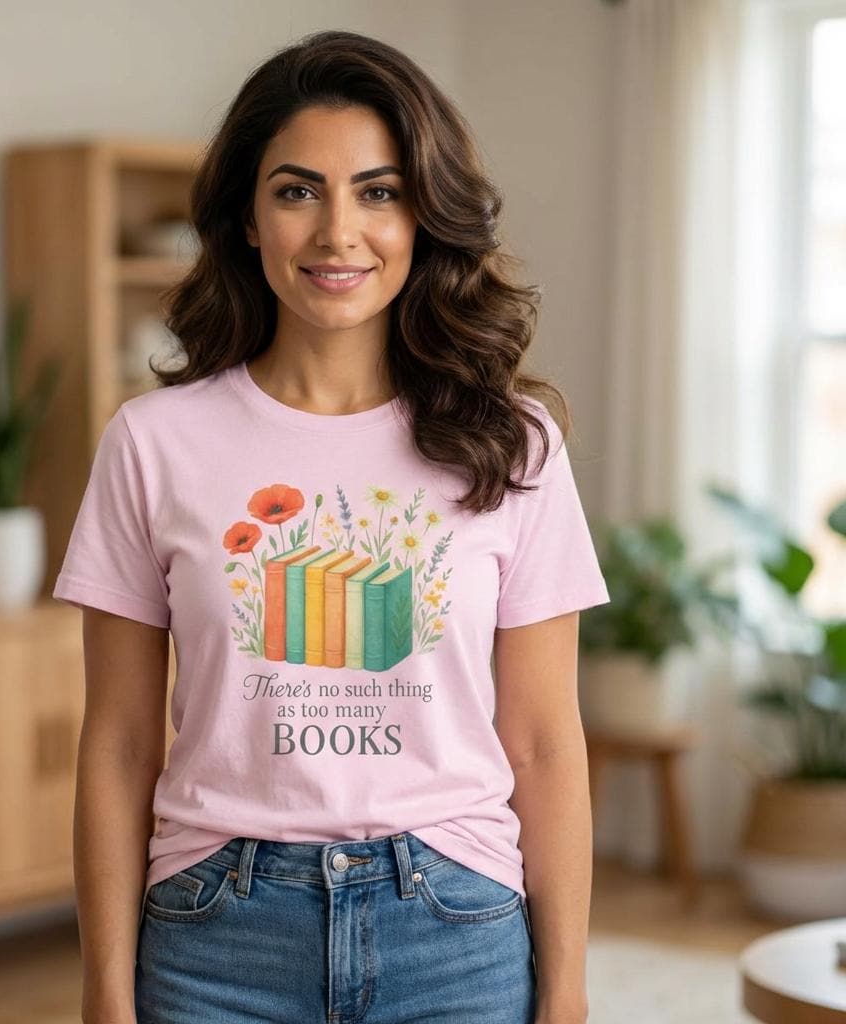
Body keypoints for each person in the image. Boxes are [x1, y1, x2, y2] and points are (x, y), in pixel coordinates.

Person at [53, 28, 609, 1024]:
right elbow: (122, 739)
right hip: (216, 928)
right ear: (249, 217)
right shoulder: (153, 443)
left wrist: (564, 990)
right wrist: (103, 988)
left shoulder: (511, 442)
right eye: (297, 189)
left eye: (380, 191)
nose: (337, 232)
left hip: (455, 920)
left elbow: (544, 743)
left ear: (423, 216)